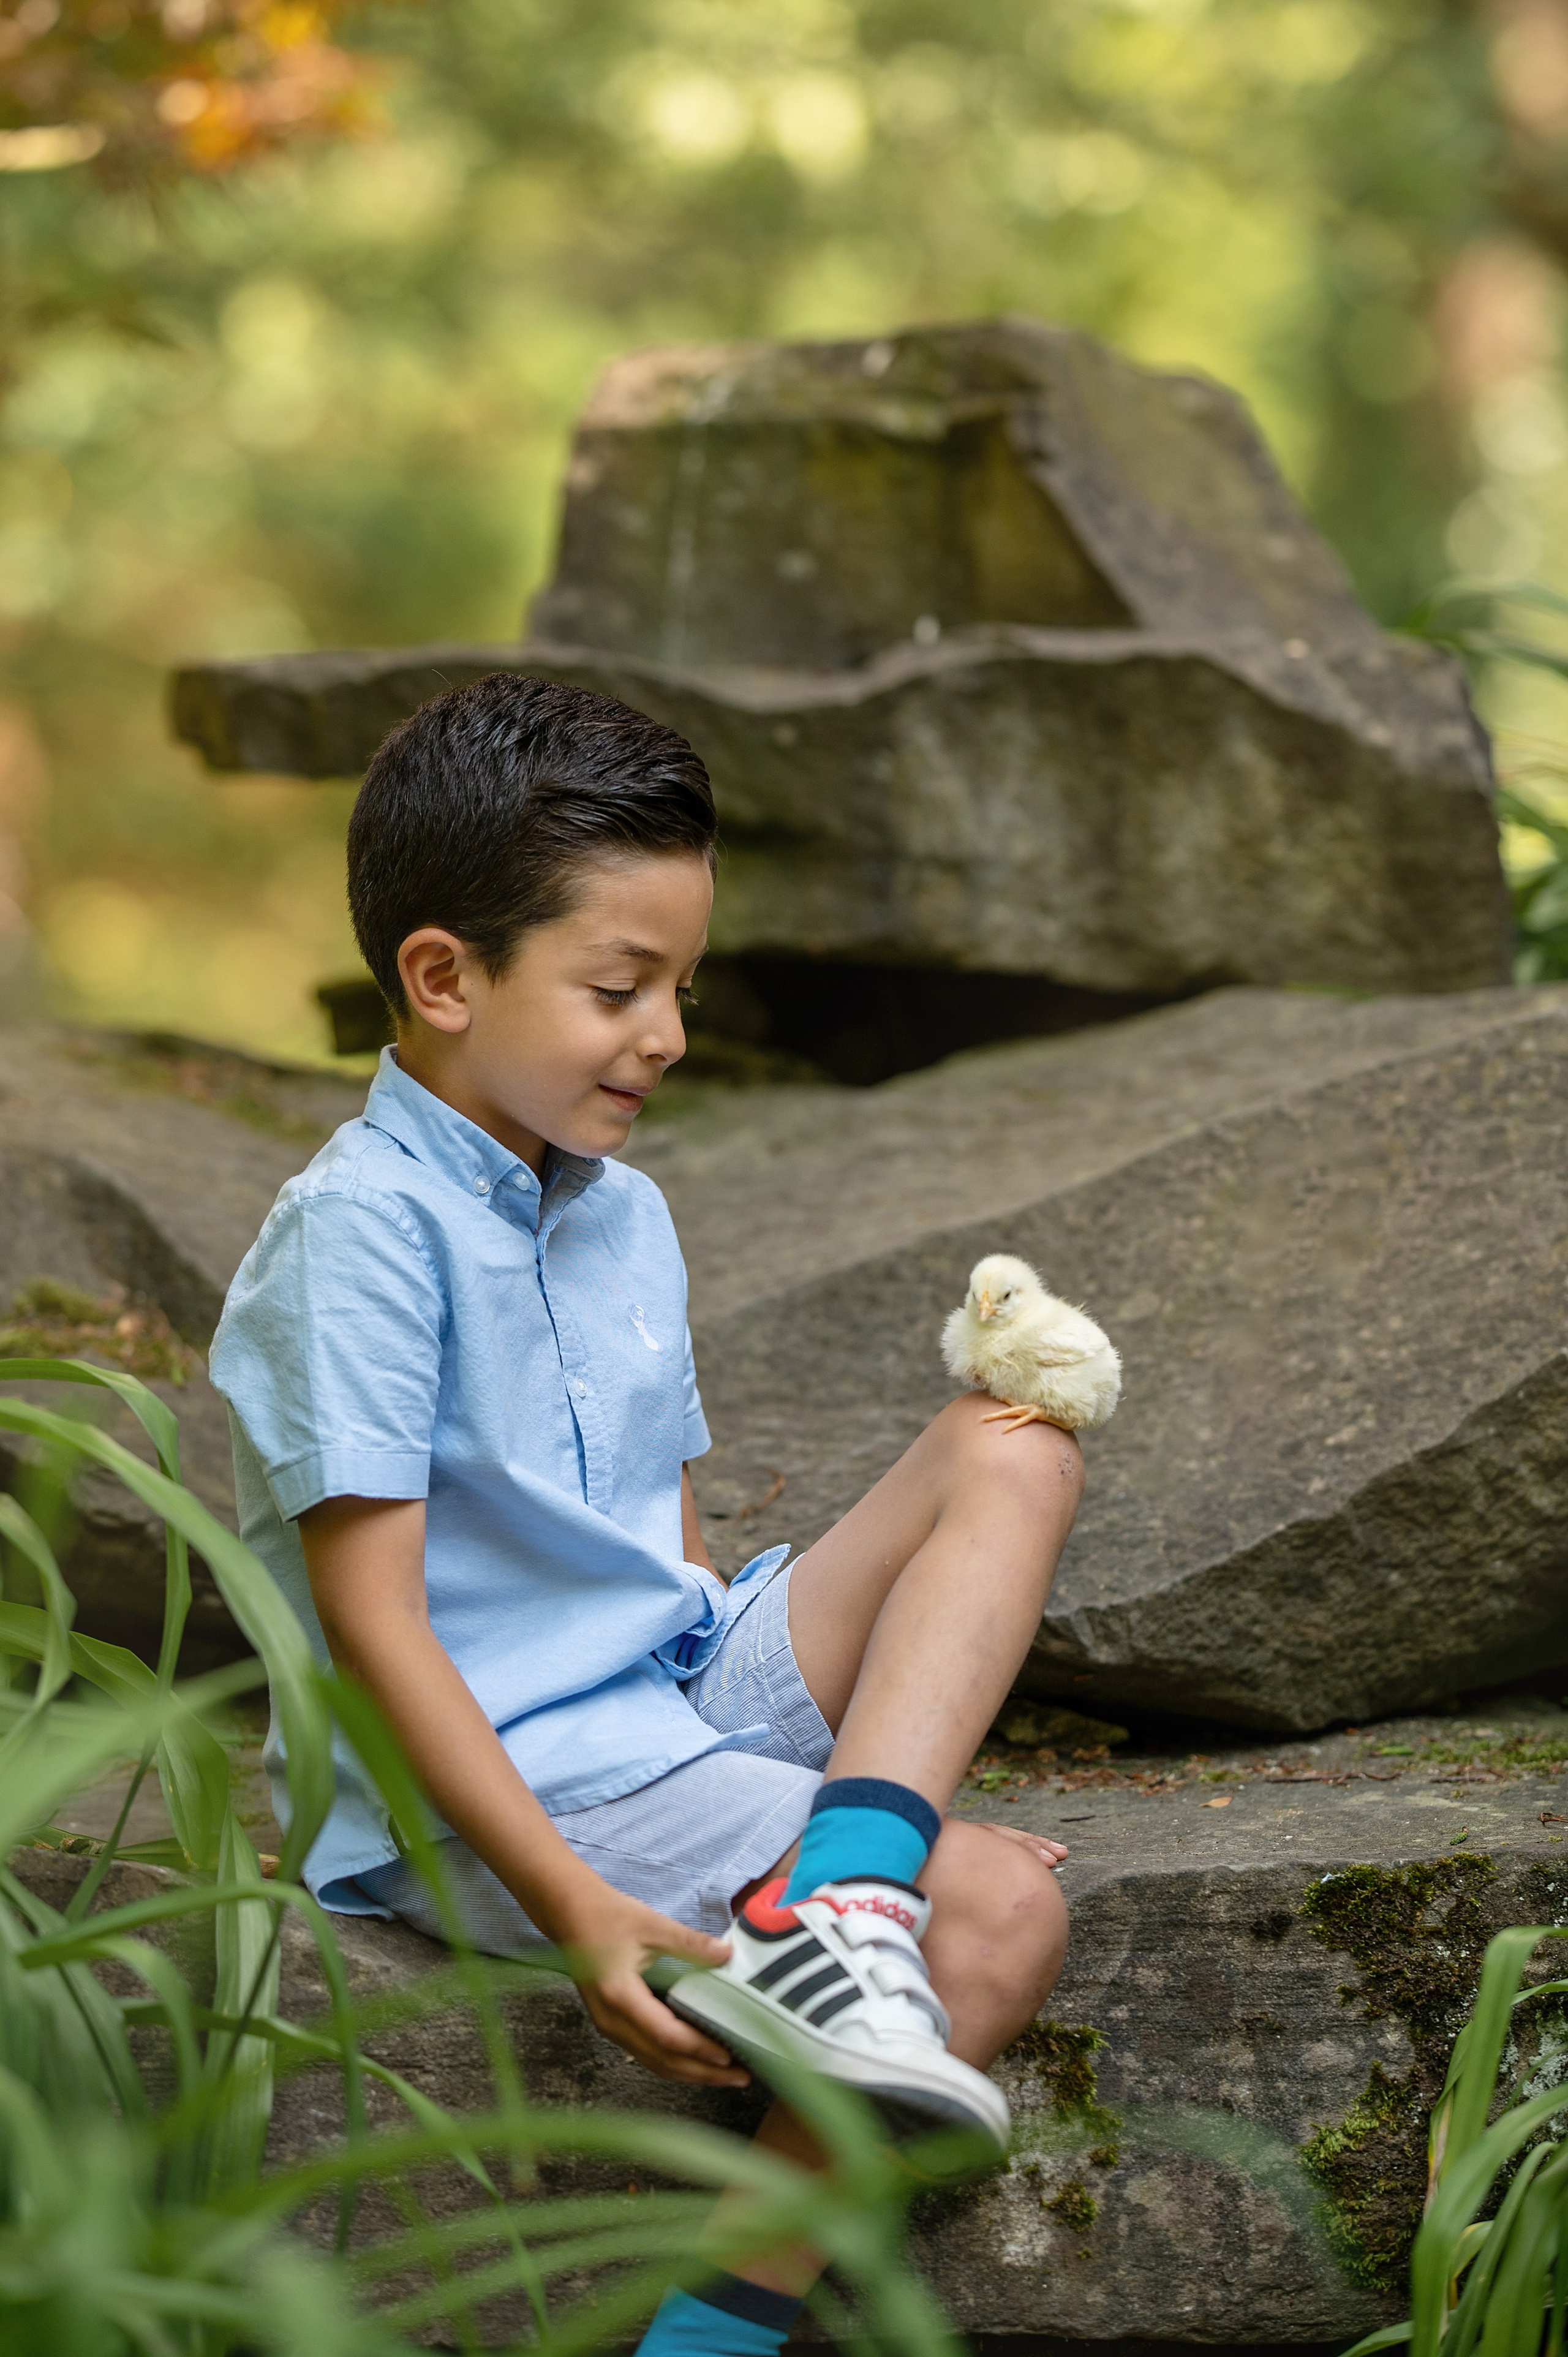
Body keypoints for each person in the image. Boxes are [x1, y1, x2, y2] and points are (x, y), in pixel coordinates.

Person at [210, 672, 1083, 2357]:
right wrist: (574, 1904)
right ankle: (712, 2333)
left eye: (683, 985)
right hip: (505, 1778)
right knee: (999, 1917)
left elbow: (661, 1560)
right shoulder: (357, 1236)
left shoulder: (627, 1213)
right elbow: (373, 1627)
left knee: (1014, 1446)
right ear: (444, 978)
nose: (668, 1035)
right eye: (620, 989)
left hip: (663, 1692)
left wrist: (844, 1798)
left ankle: (847, 1880)